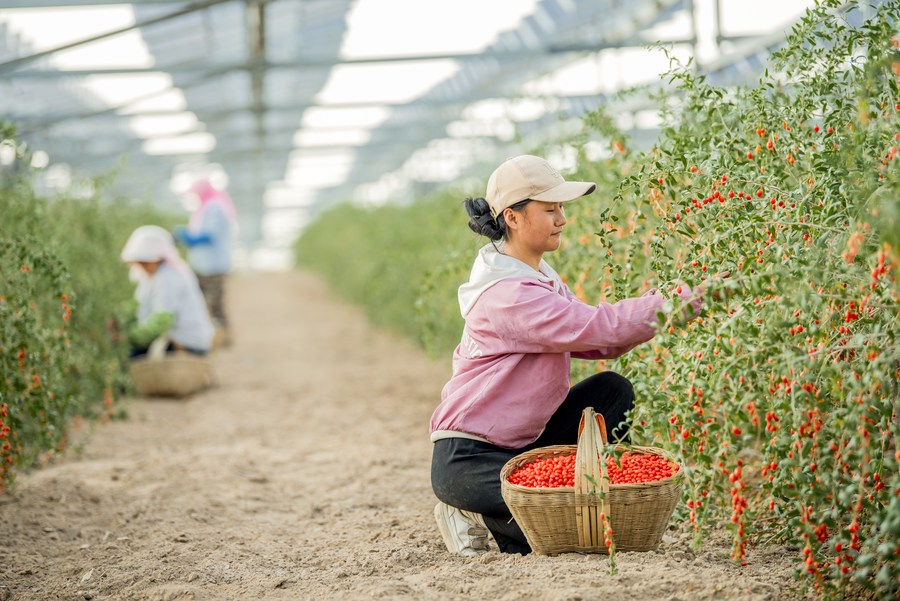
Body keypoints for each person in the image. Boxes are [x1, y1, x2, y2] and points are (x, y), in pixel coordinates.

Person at [429, 155, 705, 557]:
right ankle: (473, 511)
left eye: (561, 208)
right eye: (550, 209)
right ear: (513, 217)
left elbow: (601, 343)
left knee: (610, 392)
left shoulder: (537, 275)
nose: (562, 219)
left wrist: (670, 300)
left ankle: (597, 487)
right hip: (471, 459)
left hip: (522, 443)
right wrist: (681, 299)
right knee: (566, 521)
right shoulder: (509, 294)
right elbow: (599, 328)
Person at [120, 225, 215, 358]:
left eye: (146, 262)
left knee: (138, 354)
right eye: (139, 262)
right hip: (175, 338)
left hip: (190, 344)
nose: (142, 267)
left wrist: (130, 337)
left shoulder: (169, 277)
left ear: (159, 258)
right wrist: (120, 319)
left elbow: (162, 320)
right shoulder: (151, 275)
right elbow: (138, 305)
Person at [172, 178, 236, 341]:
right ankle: (213, 336)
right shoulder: (205, 208)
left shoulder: (214, 207)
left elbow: (209, 235)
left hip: (213, 265)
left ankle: (223, 337)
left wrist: (187, 237)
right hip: (203, 264)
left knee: (215, 302)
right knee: (202, 301)